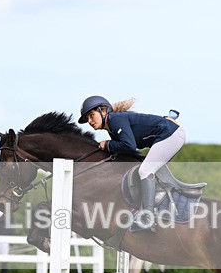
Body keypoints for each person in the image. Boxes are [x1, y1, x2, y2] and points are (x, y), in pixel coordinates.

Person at [78, 96, 186, 232]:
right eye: (87, 118)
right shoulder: (112, 126)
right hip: (169, 133)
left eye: (91, 115)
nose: (89, 121)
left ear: (103, 110)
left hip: (172, 134)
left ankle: (148, 218)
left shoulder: (115, 120)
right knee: (145, 170)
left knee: (145, 171)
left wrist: (108, 144)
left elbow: (129, 146)